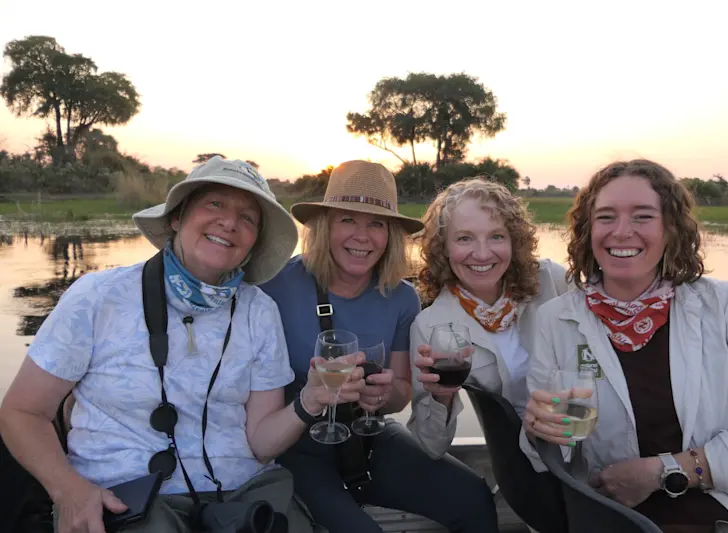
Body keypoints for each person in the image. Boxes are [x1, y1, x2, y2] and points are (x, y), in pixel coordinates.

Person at [0, 156, 359, 533]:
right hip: (125, 495)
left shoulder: (260, 311)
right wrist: (68, 490)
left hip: (242, 493)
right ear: (176, 217)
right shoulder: (98, 296)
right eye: (215, 204)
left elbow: (261, 443)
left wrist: (310, 400)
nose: (229, 222)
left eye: (248, 218)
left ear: (254, 242)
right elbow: (22, 412)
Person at [521, 159, 728, 533]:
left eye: (642, 216)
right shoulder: (555, 320)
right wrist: (540, 430)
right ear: (587, 231)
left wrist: (664, 470)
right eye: (606, 217)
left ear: (671, 229)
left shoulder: (726, 308)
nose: (622, 232)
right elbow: (549, 458)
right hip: (616, 516)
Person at [261, 160, 499, 533]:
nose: (363, 236)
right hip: (297, 447)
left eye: (376, 224)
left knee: (474, 499)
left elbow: (400, 395)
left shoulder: (402, 298)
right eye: (347, 220)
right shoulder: (275, 287)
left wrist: (383, 396)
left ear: (390, 235)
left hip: (367, 437)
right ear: (324, 226)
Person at [406, 178, 570, 533]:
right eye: (464, 238)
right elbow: (430, 446)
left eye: (496, 236)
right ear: (443, 248)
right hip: (532, 471)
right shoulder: (431, 325)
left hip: (593, 450)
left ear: (515, 240)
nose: (482, 254)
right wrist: (440, 398)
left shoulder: (553, 281)